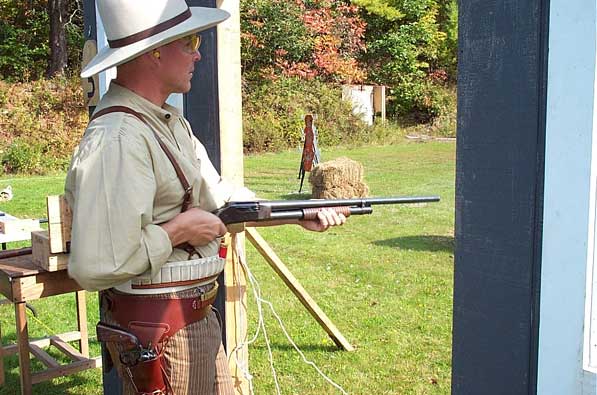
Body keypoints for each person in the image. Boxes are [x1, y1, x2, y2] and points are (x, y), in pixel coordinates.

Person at [65, 0, 346, 394]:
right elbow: (96, 263)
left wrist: (298, 212)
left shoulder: (167, 121)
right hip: (160, 330)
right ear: (154, 52)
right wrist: (179, 230)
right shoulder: (118, 139)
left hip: (189, 317)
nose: (198, 53)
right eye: (189, 41)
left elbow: (220, 196)